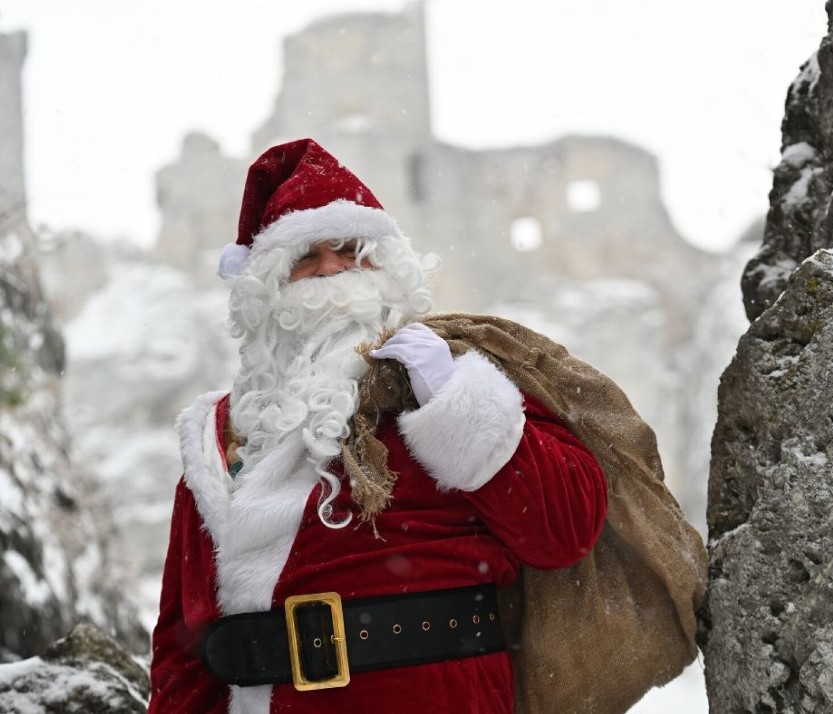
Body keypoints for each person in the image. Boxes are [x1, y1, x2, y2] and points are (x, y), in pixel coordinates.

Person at [147, 138, 609, 714]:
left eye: (349, 249)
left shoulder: (458, 375)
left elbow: (564, 529)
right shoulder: (220, 436)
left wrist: (455, 404)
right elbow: (180, 650)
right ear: (267, 291)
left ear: (389, 269)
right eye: (304, 258)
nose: (330, 271)